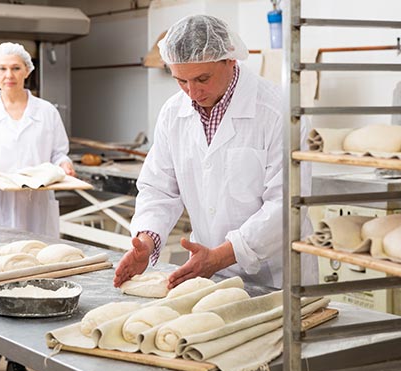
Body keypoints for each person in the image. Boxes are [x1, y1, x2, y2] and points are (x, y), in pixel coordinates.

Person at [113, 15, 316, 291]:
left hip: (278, 279)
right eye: (181, 81)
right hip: (207, 277)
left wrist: (220, 257)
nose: (192, 92)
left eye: (202, 78)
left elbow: (284, 205)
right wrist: (146, 241)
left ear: (230, 59)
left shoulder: (279, 112)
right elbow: (159, 188)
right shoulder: (174, 113)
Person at [0, 42, 75, 371]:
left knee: (36, 280)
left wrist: (64, 166)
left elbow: (59, 154)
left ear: (27, 71)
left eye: (16, 68)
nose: (10, 75)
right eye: (3, 69)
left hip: (37, 208)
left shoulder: (47, 111)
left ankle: (21, 357)